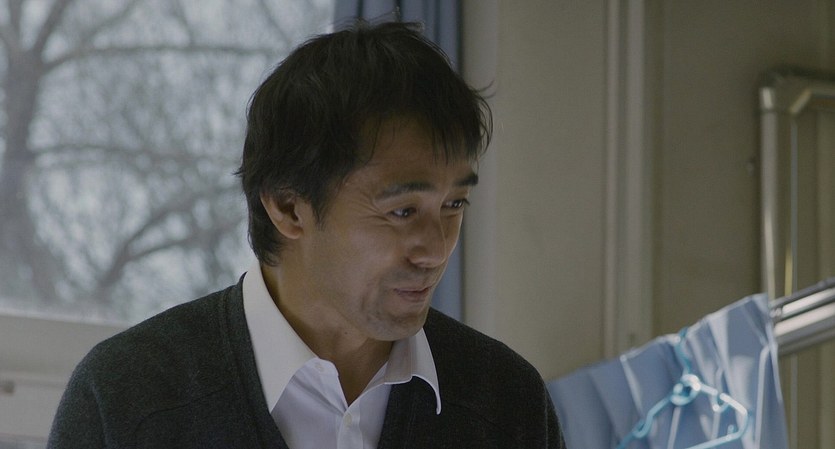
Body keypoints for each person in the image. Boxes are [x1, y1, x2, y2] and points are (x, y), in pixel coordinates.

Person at [47, 21, 566, 449]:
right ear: (288, 207)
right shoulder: (127, 398)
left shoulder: (508, 403)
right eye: (403, 211)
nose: (436, 248)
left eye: (454, 205)